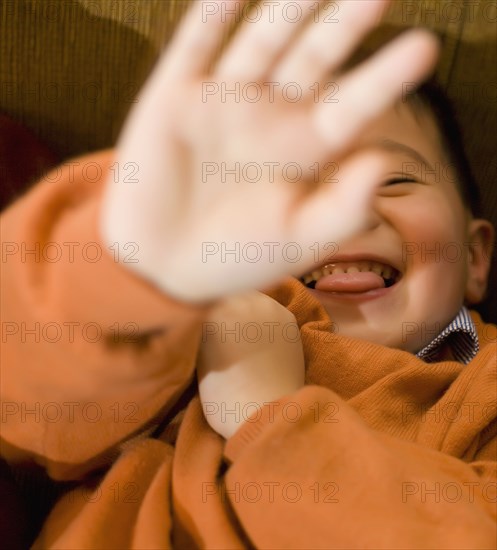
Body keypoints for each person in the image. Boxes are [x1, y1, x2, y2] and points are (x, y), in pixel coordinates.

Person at [1, 0, 495, 548]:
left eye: (392, 179)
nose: (345, 210)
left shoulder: (485, 396)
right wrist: (136, 270)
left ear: (475, 257)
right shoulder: (185, 324)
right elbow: (31, 412)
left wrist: (271, 416)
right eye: (292, 186)